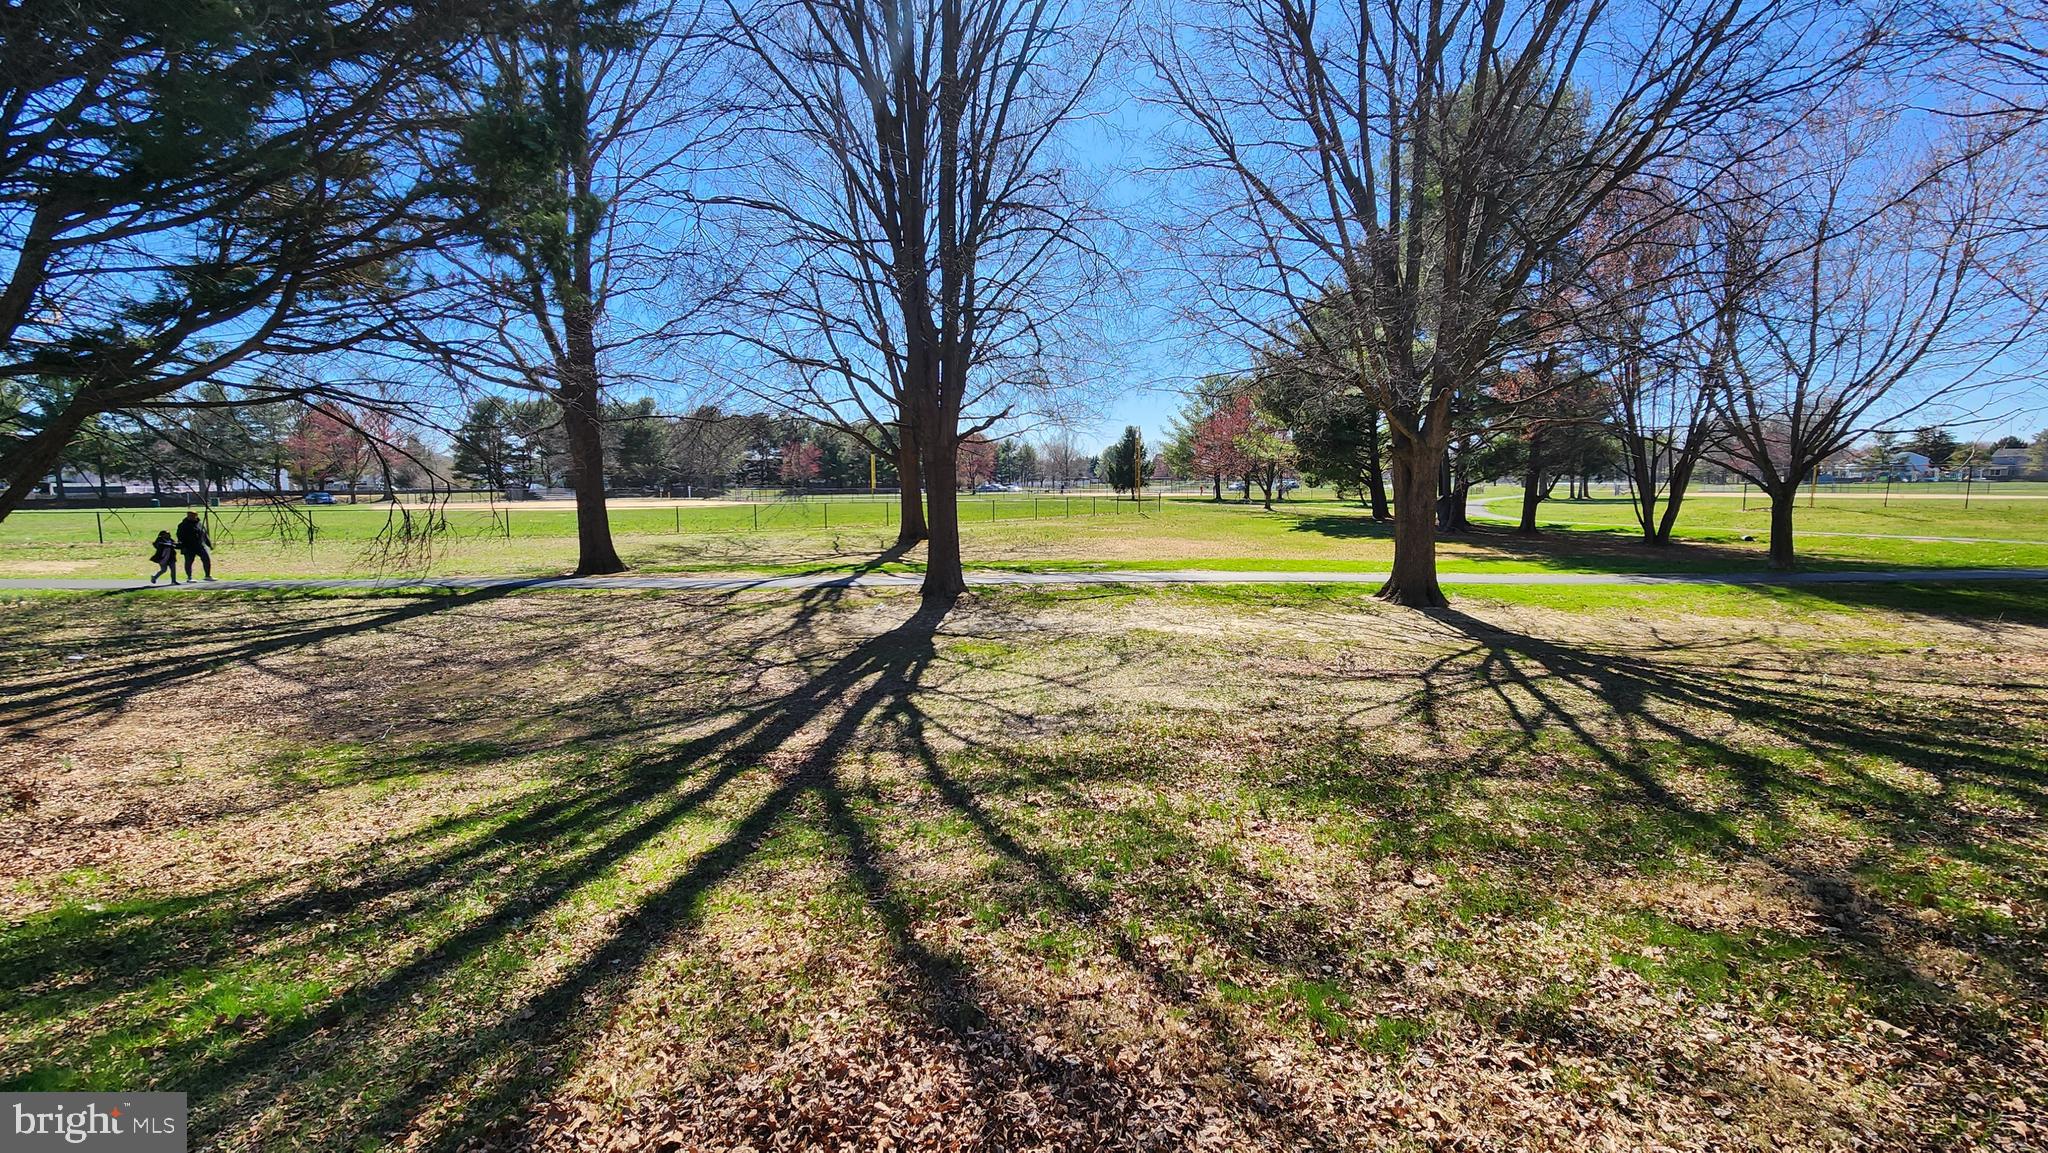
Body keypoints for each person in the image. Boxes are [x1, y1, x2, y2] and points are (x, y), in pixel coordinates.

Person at [175, 509, 213, 581]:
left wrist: (209, 544)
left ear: (196, 516)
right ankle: (189, 577)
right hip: (188, 547)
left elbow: (204, 535)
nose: (190, 517)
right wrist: (183, 546)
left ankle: (207, 576)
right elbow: (179, 536)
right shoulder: (183, 525)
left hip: (200, 546)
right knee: (189, 562)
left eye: (192, 516)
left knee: (206, 559)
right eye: (189, 515)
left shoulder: (199, 524)